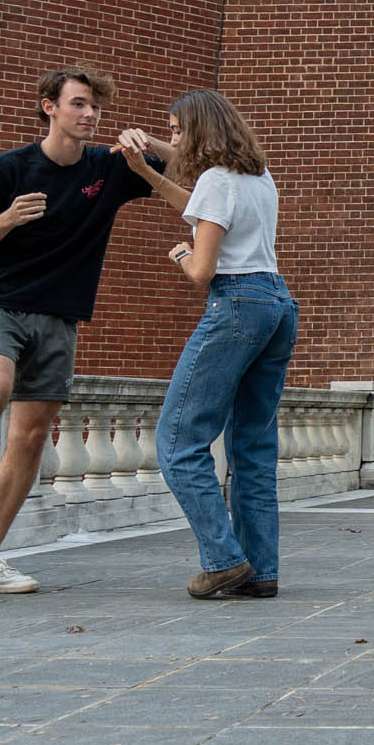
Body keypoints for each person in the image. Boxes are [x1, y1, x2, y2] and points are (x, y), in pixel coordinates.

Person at [0, 70, 171, 596]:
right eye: (79, 104)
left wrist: (150, 143)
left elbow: (196, 170)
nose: (90, 115)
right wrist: (7, 220)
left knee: (29, 434)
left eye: (96, 108)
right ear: (50, 107)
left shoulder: (108, 168)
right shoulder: (8, 168)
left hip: (59, 315)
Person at [121, 92, 297, 600]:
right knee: (253, 449)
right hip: (278, 303)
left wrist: (179, 251)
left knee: (178, 443)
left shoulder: (218, 182)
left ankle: (222, 560)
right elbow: (199, 201)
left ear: (197, 132)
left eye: (176, 130)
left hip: (237, 303)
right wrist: (149, 156)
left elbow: (202, 269)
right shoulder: (257, 175)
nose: (171, 139)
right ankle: (260, 571)